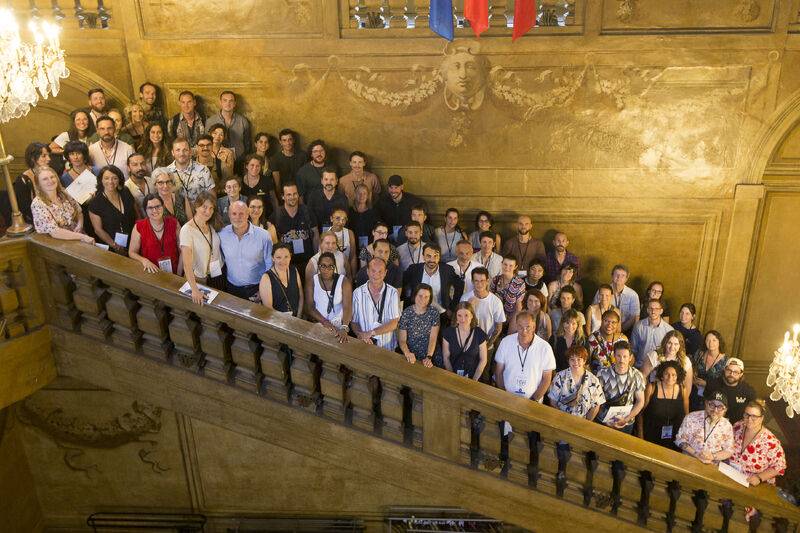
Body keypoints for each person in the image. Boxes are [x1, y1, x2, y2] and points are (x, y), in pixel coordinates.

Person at [494, 311, 556, 403]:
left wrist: (533, 400)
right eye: (520, 327)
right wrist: (504, 395)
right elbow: (498, 372)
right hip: (506, 400)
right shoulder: (505, 342)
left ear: (534, 327)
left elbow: (546, 379)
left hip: (533, 403)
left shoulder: (545, 347)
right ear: (516, 326)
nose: (524, 331)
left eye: (528, 327)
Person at [219, 200, 274, 300]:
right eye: (234, 214)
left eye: (241, 214)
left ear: (248, 214)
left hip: (256, 288)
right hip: (231, 288)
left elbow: (270, 265)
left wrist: (264, 290)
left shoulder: (264, 236)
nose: (237, 217)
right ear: (229, 215)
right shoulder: (222, 234)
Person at [728, 400, 787, 487]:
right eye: (746, 415)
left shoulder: (771, 442)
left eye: (754, 416)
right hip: (730, 473)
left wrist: (759, 478)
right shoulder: (738, 426)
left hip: (752, 484)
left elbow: (779, 467)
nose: (749, 419)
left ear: (762, 418)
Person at [180, 191, 224, 304]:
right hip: (200, 279)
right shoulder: (187, 230)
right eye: (204, 207)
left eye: (211, 208)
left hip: (217, 274)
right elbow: (186, 264)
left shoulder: (211, 224)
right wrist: (194, 290)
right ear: (196, 206)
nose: (208, 211)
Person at [30, 166, 94, 243]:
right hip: (59, 245)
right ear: (38, 184)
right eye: (45, 179)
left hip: (78, 237)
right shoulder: (37, 204)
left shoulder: (64, 193)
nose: (50, 181)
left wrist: (80, 225)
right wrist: (83, 237)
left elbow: (79, 212)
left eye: (52, 177)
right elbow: (55, 232)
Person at [351, 257, 401, 350]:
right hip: (365, 345)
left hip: (387, 347)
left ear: (385, 273)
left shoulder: (393, 292)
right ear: (367, 271)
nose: (376, 275)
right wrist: (361, 335)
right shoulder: (357, 293)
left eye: (380, 271)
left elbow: (394, 323)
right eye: (373, 271)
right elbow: (354, 321)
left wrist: (371, 333)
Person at [596, 341, 646, 434]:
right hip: (604, 420)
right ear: (614, 356)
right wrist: (606, 420)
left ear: (630, 358)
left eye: (625, 356)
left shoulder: (637, 375)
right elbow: (596, 400)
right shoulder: (602, 373)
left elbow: (640, 401)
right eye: (618, 356)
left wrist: (627, 419)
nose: (621, 360)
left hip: (626, 422)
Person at [638, 360, 688, 450]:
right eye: (666, 374)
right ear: (661, 375)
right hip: (651, 435)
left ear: (678, 376)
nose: (670, 377)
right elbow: (640, 413)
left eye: (674, 375)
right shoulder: (651, 388)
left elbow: (687, 416)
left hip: (674, 438)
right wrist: (640, 435)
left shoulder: (682, 390)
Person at [402, 243, 461, 319]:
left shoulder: (447, 270)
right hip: (417, 314)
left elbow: (460, 285)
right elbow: (401, 284)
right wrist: (407, 304)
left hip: (441, 314)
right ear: (423, 256)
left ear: (439, 257)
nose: (432, 260)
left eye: (435, 256)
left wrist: (452, 307)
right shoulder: (414, 269)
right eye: (428, 256)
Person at [675, 389, 734, 465]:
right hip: (688, 461)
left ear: (725, 409)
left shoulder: (727, 426)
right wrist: (696, 454)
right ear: (706, 403)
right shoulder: (691, 417)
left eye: (720, 407)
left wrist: (712, 456)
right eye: (712, 405)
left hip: (712, 466)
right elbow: (680, 440)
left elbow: (729, 450)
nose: (715, 410)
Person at [88, 165, 137, 255]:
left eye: (114, 178)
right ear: (101, 180)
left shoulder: (125, 192)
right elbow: (98, 230)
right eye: (106, 178)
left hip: (134, 240)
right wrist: (115, 246)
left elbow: (136, 212)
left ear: (119, 179)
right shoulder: (95, 203)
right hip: (112, 247)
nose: (110, 182)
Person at [305, 251, 353, 343]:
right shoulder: (312, 281)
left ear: (334, 267)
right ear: (318, 266)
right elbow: (310, 307)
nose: (326, 269)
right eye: (323, 266)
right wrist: (324, 322)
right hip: (320, 323)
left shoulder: (344, 281)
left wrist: (344, 327)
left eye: (330, 266)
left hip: (339, 325)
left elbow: (347, 307)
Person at [548, 345, 605, 420]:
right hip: (561, 420)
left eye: (579, 359)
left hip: (583, 422)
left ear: (584, 361)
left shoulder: (594, 380)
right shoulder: (559, 377)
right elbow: (553, 402)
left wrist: (586, 423)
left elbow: (596, 405)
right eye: (572, 359)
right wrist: (561, 419)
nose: (576, 362)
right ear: (568, 361)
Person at [128, 193, 182, 274]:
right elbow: (132, 252)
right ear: (145, 210)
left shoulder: (174, 223)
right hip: (151, 272)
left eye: (158, 206)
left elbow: (182, 251)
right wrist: (144, 260)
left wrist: (179, 273)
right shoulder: (139, 227)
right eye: (150, 208)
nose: (155, 210)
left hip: (174, 272)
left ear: (163, 206)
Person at [271, 182, 319, 267]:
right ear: (283, 197)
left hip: (307, 262)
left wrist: (316, 258)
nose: (292, 197)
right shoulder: (276, 216)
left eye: (295, 194)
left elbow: (316, 235)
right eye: (289, 195)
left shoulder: (307, 211)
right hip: (287, 264)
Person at [460, 267, 506, 353]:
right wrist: (469, 308)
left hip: (487, 345)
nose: (479, 284)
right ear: (472, 282)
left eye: (482, 281)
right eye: (476, 281)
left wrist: (487, 346)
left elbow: (498, 328)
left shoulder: (496, 301)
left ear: (487, 281)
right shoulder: (465, 298)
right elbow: (458, 322)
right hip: (466, 345)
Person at [442, 302, 488, 380]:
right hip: (452, 375)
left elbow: (483, 360)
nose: (463, 319)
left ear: (472, 316)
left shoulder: (479, 334)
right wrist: (452, 377)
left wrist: (474, 381)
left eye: (466, 315)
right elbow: (446, 357)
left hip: (474, 377)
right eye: (459, 315)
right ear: (456, 317)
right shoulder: (448, 333)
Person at [398, 283, 441, 367]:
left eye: (426, 297)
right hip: (411, 354)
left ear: (430, 298)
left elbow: (433, 338)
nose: (423, 299)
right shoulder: (406, 313)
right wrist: (408, 353)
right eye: (420, 296)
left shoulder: (434, 313)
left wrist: (429, 357)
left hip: (430, 354)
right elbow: (402, 340)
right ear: (415, 295)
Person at [374, 175, 425, 243]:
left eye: (396, 187)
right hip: (388, 239)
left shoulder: (413, 201)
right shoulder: (381, 202)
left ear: (402, 187)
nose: (393, 191)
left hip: (408, 239)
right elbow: (377, 221)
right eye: (391, 187)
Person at [640, 330, 694, 394]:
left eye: (676, 344)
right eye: (669, 343)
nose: (672, 347)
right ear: (665, 343)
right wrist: (646, 393)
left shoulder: (685, 360)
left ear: (680, 345)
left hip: (675, 395)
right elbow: (642, 377)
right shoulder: (654, 355)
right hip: (655, 394)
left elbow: (688, 388)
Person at [164, 137, 214, 204]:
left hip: (200, 212)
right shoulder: (166, 172)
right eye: (178, 150)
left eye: (185, 150)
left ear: (190, 152)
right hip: (176, 213)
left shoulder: (203, 170)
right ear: (172, 152)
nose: (182, 154)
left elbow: (212, 197)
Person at [706, 358, 756, 424]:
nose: (731, 374)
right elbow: (706, 404)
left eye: (735, 372)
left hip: (737, 426)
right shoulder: (712, 385)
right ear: (724, 370)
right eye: (729, 370)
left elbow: (752, 411)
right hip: (714, 422)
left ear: (741, 374)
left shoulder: (748, 391)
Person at [205, 90, 252, 161]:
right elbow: (207, 141)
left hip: (239, 160)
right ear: (220, 102)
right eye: (225, 100)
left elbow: (247, 143)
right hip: (217, 160)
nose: (228, 103)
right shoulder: (210, 121)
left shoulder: (243, 121)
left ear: (235, 104)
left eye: (231, 101)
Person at [593, 264, 640, 334]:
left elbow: (635, 317)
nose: (619, 277)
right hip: (603, 330)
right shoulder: (602, 291)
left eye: (623, 275)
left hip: (626, 331)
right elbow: (594, 311)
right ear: (612, 276)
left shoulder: (633, 295)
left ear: (627, 278)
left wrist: (619, 331)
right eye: (617, 274)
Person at [259, 244, 303, 317]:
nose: (283, 261)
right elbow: (268, 308)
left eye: (286, 257)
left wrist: (299, 316)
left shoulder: (294, 270)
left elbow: (301, 296)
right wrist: (285, 322)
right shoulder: (266, 278)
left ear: (290, 257)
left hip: (297, 318)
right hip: (278, 321)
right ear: (273, 258)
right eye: (279, 257)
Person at [689, 330, 728, 410]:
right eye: (708, 340)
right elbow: (691, 366)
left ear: (719, 342)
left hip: (712, 398)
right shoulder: (700, 354)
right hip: (695, 393)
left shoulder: (726, 361)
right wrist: (693, 377)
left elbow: (724, 384)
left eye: (714, 340)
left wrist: (706, 384)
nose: (711, 343)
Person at [13, 142, 51, 223]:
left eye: (48, 155)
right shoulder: (23, 179)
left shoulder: (51, 173)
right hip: (37, 220)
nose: (49, 159)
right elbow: (25, 209)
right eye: (44, 156)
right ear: (33, 158)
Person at [630, 299, 674, 368]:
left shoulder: (669, 330)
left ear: (661, 311)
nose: (653, 311)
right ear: (647, 310)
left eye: (656, 309)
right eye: (651, 309)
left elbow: (670, 353)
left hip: (658, 368)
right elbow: (633, 349)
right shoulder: (638, 326)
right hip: (640, 366)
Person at [306, 167, 348, 233]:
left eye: (332, 180)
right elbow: (309, 218)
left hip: (337, 234)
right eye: (326, 179)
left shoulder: (342, 199)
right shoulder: (313, 197)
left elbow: (344, 221)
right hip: (317, 234)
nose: (329, 182)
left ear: (336, 181)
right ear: (322, 181)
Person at [490, 255, 526, 327]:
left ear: (515, 267)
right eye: (505, 264)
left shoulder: (519, 283)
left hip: (510, 321)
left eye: (511, 266)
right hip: (494, 319)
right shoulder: (495, 280)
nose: (507, 268)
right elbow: (490, 299)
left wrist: (510, 325)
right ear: (501, 264)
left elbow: (518, 308)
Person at [328, 208, 358, 276]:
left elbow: (353, 256)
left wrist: (354, 276)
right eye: (337, 218)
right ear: (331, 219)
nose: (341, 222)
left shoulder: (350, 233)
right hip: (332, 272)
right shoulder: (326, 235)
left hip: (347, 272)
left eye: (344, 219)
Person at [348, 183, 377, 253]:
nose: (362, 196)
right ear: (355, 194)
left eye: (364, 193)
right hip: (353, 247)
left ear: (368, 195)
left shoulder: (373, 212)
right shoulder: (349, 212)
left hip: (370, 248)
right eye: (359, 193)